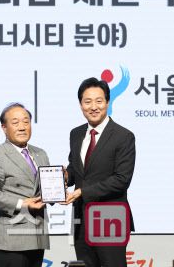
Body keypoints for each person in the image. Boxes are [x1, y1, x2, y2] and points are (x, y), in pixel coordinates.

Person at [65, 77, 136, 267]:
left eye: (99, 101)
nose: (93, 107)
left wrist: (82, 192)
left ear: (107, 102)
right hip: (81, 219)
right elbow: (76, 168)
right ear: (80, 104)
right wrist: (65, 176)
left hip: (111, 218)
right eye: (87, 101)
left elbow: (122, 179)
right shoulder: (75, 133)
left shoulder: (123, 136)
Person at [0, 103, 50, 267]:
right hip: (10, 238)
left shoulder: (40, 154)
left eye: (26, 122)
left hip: (37, 236)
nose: (22, 127)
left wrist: (59, 189)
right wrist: (22, 204)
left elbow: (44, 190)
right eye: (15, 122)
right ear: (4, 128)